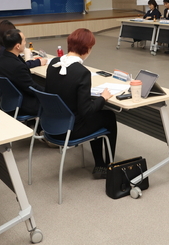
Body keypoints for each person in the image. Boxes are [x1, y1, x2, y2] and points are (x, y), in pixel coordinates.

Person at [45, 29, 117, 179]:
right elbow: (86, 111)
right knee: (108, 116)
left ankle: (101, 164)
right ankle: (107, 165)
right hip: (70, 130)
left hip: (50, 126)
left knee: (97, 115)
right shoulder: (82, 72)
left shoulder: (53, 63)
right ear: (87, 49)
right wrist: (102, 98)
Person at [0, 29, 43, 116]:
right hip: (23, 104)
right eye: (24, 40)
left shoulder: (0, 60)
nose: (25, 42)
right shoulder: (17, 66)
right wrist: (49, 92)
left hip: (8, 101)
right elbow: (32, 89)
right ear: (17, 46)